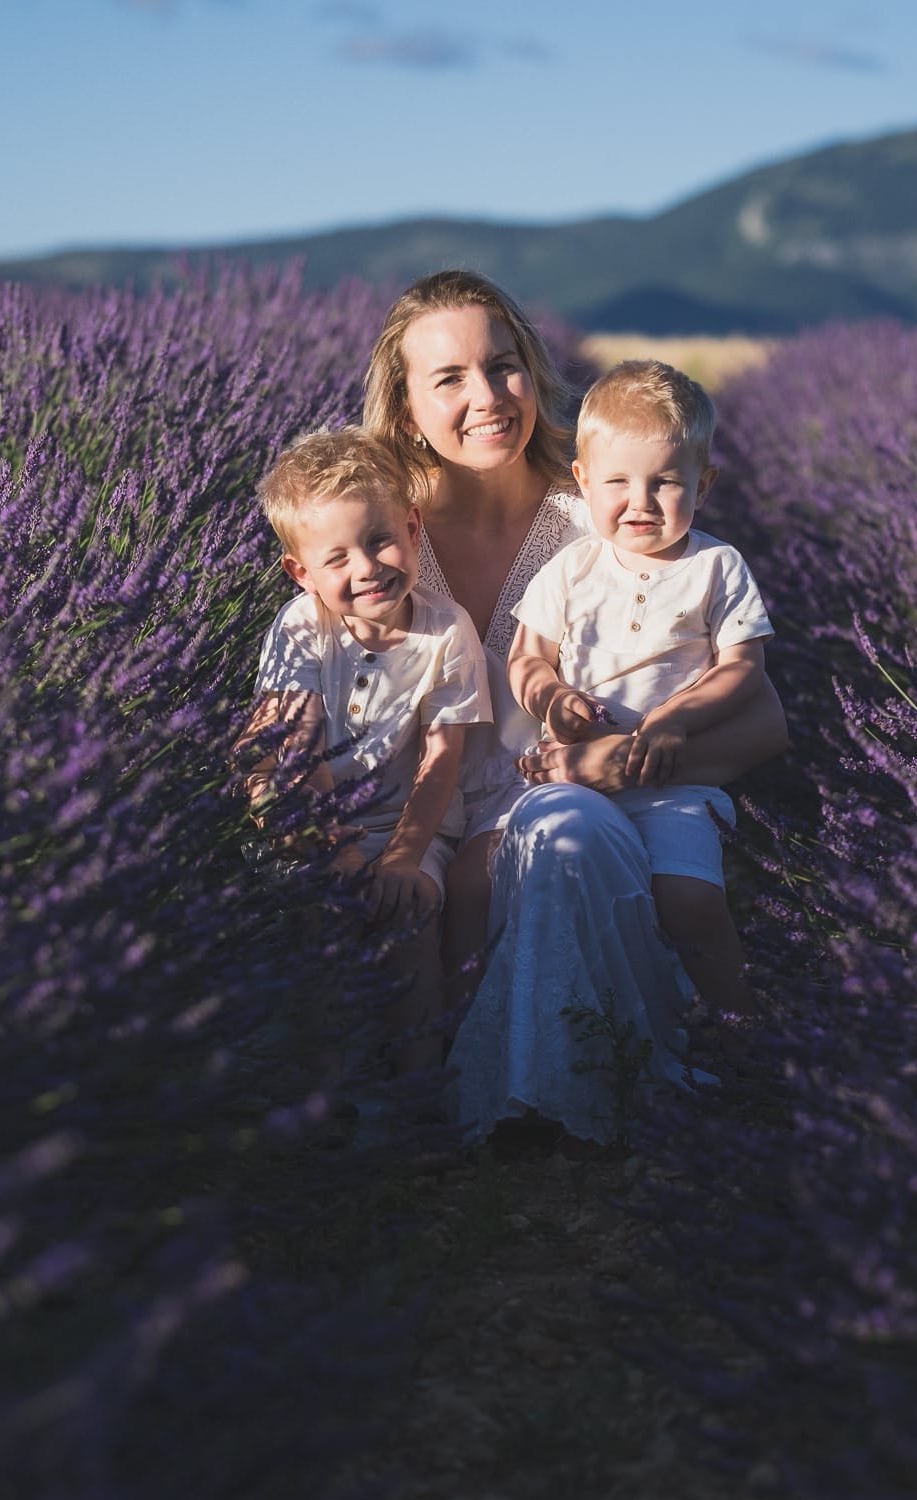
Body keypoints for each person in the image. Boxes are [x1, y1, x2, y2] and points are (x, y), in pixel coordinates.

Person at [358, 272, 788, 1143]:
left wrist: (612, 764)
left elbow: (763, 719)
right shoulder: (377, 536)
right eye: (449, 379)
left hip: (562, 814)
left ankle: (569, 1102)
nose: (487, 397)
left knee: (564, 833)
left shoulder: (598, 517)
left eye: (504, 366)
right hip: (423, 826)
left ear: (535, 370)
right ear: (405, 409)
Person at [506, 360, 771, 1015]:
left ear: (703, 486)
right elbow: (527, 657)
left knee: (692, 901)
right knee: (585, 899)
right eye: (618, 482)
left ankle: (738, 1025)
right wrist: (551, 698)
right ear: (583, 482)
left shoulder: (716, 566)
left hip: (676, 783)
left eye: (665, 483)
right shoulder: (571, 568)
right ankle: (618, 1018)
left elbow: (745, 667)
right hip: (575, 773)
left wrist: (676, 717)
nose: (640, 502)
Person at [237, 427, 490, 1075]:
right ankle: (328, 1092)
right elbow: (290, 752)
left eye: (380, 539)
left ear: (413, 530)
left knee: (414, 920)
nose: (367, 567)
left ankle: (416, 1089)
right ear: (302, 573)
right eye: (338, 557)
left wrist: (403, 859)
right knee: (322, 920)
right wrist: (341, 853)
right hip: (313, 822)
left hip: (410, 825)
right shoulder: (302, 627)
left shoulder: (445, 630)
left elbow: (442, 759)